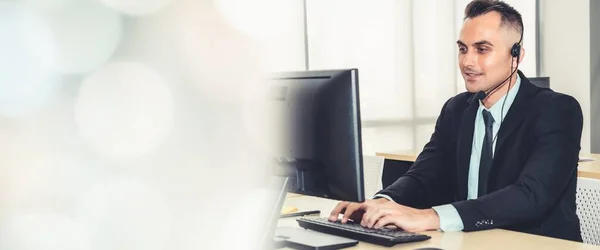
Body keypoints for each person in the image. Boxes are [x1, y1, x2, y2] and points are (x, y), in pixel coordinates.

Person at [329, 0, 583, 242]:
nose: (467, 62)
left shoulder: (557, 110)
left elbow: (531, 195)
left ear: (516, 55)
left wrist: (431, 216)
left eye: (482, 49)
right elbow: (424, 173)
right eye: (463, 49)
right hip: (471, 242)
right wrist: (385, 202)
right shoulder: (456, 109)